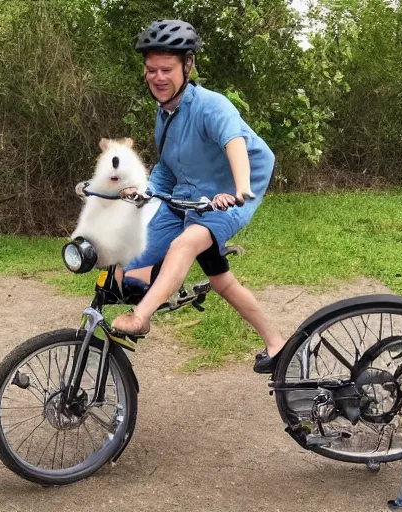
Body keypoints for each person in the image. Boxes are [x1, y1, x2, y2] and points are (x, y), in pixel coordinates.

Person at [110, 19, 285, 373]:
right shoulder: (166, 115)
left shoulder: (211, 105)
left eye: (166, 69)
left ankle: (141, 316)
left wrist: (239, 189)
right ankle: (278, 343)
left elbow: (234, 144)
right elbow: (167, 167)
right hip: (189, 196)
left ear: (187, 66)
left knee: (185, 244)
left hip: (231, 193)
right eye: (150, 70)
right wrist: (143, 191)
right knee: (216, 278)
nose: (158, 77)